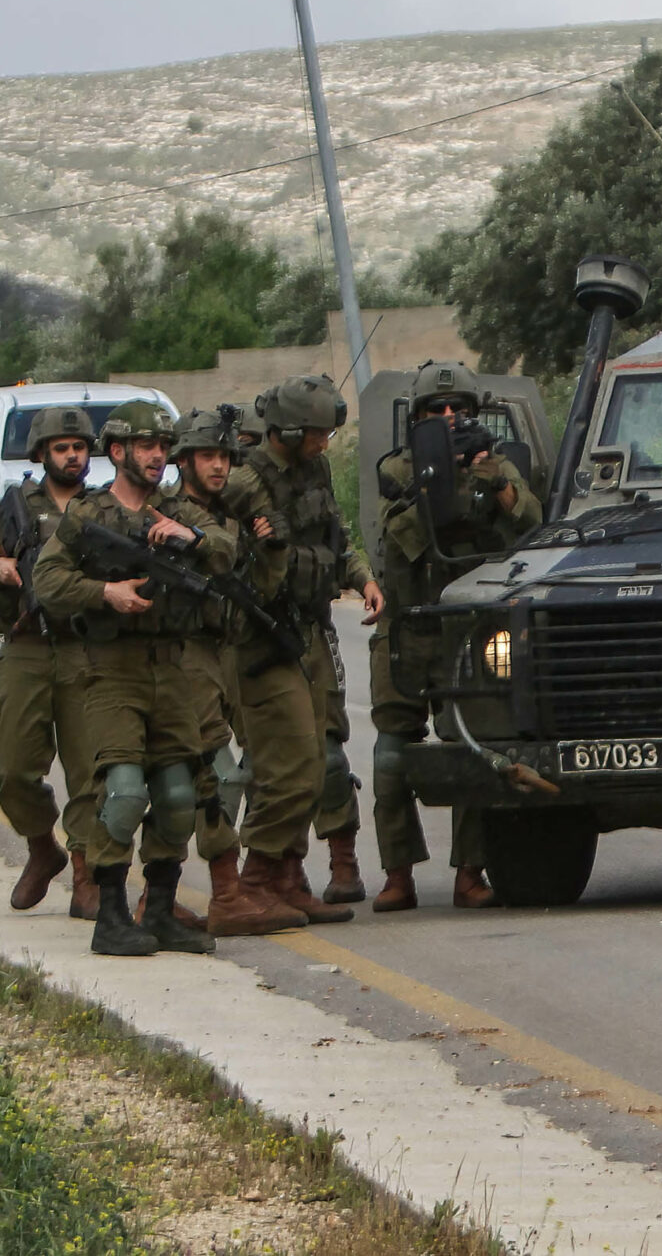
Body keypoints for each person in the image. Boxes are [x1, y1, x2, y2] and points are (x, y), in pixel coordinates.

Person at [31, 402, 237, 958]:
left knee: (175, 797)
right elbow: (46, 578)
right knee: (123, 793)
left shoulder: (178, 508)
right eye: (146, 446)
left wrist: (189, 539)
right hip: (111, 672)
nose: (158, 456)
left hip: (171, 670)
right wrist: (105, 594)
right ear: (117, 452)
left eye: (163, 447)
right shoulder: (88, 513)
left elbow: (226, 549)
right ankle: (112, 917)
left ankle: (163, 912)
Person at [369, 362, 541, 912]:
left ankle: (470, 871)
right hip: (410, 628)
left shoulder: (497, 465)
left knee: (472, 746)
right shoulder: (400, 469)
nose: (449, 419)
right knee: (391, 756)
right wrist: (441, 477)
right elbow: (408, 537)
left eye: (459, 411)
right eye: (436, 413)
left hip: (469, 631)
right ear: (417, 421)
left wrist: (494, 482)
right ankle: (398, 873)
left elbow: (532, 524)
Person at [0, 405, 104, 915]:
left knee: (90, 772)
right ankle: (42, 847)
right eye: (62, 448)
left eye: (79, 447)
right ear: (42, 454)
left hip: (84, 650)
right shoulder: (13, 506)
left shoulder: (100, 508)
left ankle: (87, 875)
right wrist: (0, 565)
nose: (73, 456)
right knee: (13, 765)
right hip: (26, 647)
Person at [237, 374, 382, 921]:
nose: (326, 443)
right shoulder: (246, 480)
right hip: (264, 632)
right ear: (290, 430)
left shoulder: (315, 468)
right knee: (278, 759)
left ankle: (312, 870)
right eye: (318, 433)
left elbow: (335, 538)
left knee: (325, 752)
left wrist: (362, 578)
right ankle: (266, 877)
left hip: (312, 625)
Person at [170, 409, 307, 936]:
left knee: (246, 771)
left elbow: (260, 590)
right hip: (189, 655)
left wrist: (272, 547)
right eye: (207, 456)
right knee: (206, 776)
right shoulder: (170, 513)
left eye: (225, 456)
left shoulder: (230, 514)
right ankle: (221, 894)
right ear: (185, 461)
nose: (219, 466)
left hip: (230, 651)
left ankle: (239, 887)